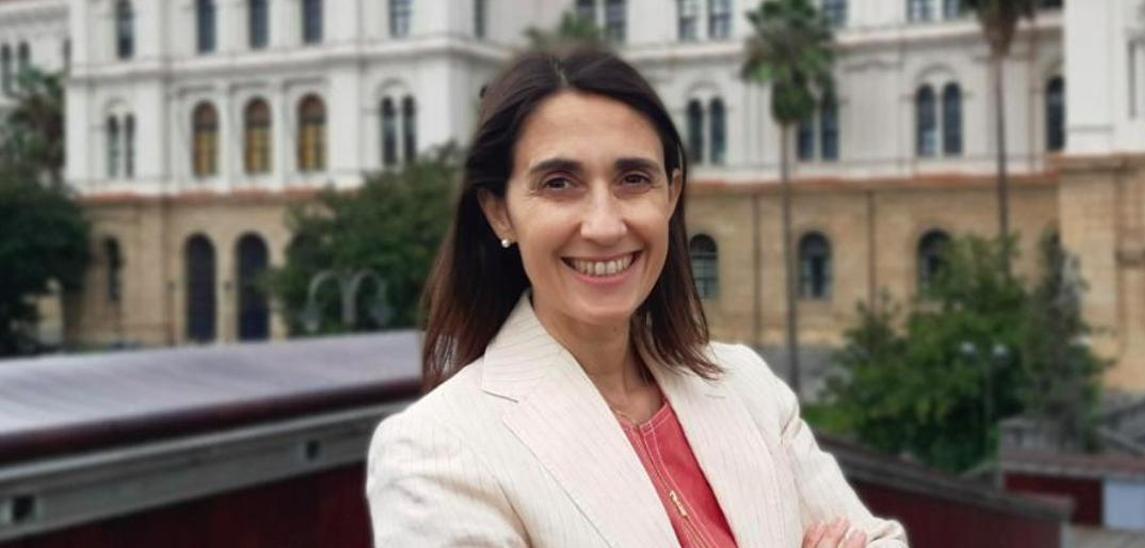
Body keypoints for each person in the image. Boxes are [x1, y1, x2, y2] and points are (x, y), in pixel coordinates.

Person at [365, 46, 909, 548]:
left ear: (671, 194)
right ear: (499, 211)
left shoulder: (747, 388)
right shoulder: (436, 452)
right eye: (559, 183)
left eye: (633, 179)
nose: (604, 225)